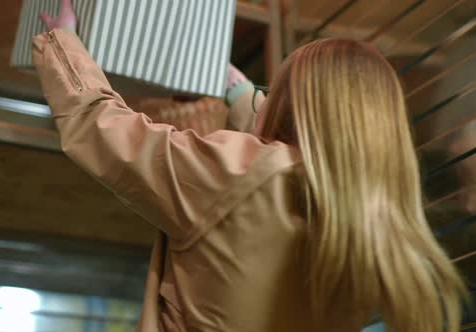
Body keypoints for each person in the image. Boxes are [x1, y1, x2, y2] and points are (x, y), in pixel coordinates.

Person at [34, 1, 467, 331]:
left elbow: (104, 129)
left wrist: (63, 42)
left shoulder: (234, 175)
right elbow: (304, 151)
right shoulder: (379, 218)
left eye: (276, 89)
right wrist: (241, 92)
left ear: (294, 108)